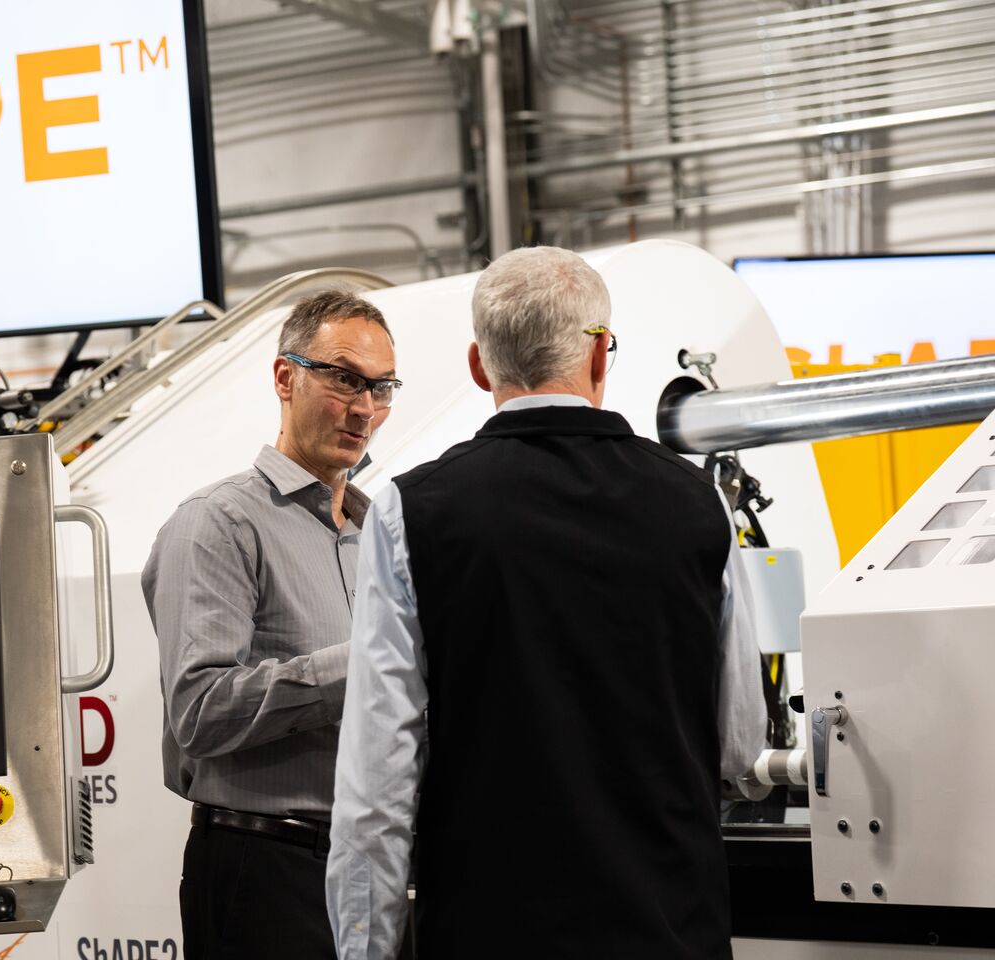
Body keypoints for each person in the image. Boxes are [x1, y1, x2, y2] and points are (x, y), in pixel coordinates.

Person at [326, 246, 767, 959]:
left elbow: (377, 779)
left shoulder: (414, 511)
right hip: (667, 928)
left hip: (492, 929)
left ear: (479, 366)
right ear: (599, 357)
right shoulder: (698, 501)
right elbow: (742, 744)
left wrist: (364, 949)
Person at [143, 290, 401, 959]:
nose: (364, 407)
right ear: (286, 377)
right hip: (266, 868)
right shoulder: (219, 524)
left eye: (380, 387)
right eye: (344, 378)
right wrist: (370, 662)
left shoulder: (378, 533)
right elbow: (198, 711)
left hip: (374, 870)